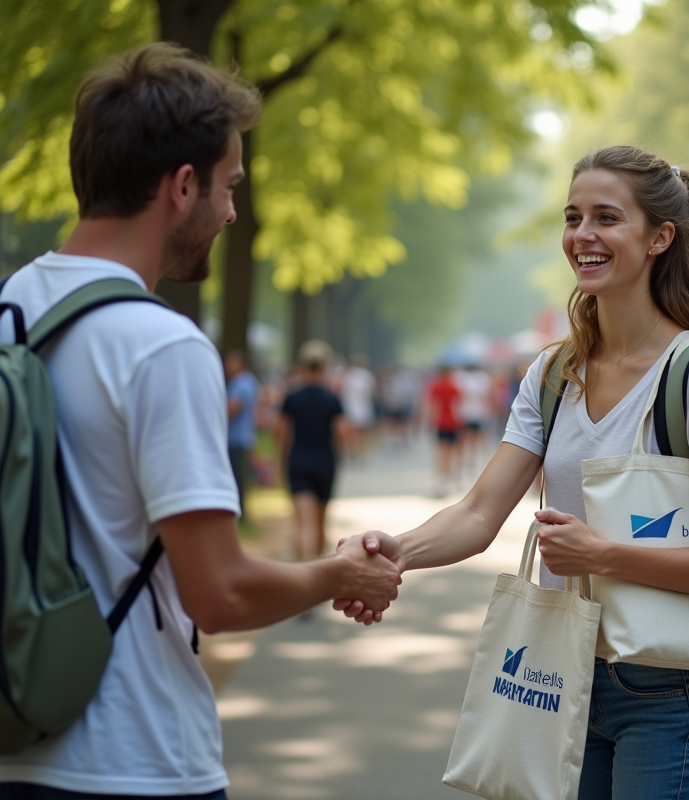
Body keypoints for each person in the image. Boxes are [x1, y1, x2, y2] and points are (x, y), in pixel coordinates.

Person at [0, 44, 399, 800]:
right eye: (229, 187)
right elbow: (220, 594)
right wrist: (339, 575)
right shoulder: (161, 344)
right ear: (183, 186)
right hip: (133, 756)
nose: (233, 213)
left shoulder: (12, 306)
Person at [338, 146, 689, 800]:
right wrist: (396, 554)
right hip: (565, 670)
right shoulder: (552, 375)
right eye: (573, 217)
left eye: (605, 217)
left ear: (660, 237)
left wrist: (603, 554)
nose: (582, 236)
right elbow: (479, 512)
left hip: (669, 688)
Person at [277, 340, 346, 564]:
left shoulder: (292, 397)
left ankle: (302, 576)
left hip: (298, 462)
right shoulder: (332, 398)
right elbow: (341, 433)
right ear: (325, 366)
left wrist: (281, 460)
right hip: (325, 463)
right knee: (319, 523)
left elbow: (281, 432)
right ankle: (317, 578)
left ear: (302, 366)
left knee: (303, 523)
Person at [224, 350, 259, 514]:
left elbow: (232, 408)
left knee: (237, 478)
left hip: (238, 438)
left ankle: (239, 512)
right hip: (240, 437)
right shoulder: (245, 381)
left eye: (232, 362)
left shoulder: (242, 382)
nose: (228, 366)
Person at [426, 364, 462, 496]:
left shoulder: (436, 387)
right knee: (450, 453)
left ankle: (441, 479)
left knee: (441, 452)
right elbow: (458, 405)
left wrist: (430, 421)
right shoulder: (454, 387)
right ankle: (447, 479)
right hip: (452, 421)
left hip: (440, 422)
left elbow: (432, 405)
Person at [455, 363, 494, 466]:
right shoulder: (482, 378)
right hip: (474, 413)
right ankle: (471, 458)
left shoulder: (460, 378)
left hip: (466, 413)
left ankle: (465, 459)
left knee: (465, 437)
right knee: (473, 437)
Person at [339, 354, 376, 459]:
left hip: (349, 408)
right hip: (363, 408)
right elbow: (372, 392)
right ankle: (360, 452)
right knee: (361, 433)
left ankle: (353, 451)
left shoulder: (348, 375)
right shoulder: (366, 375)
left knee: (352, 433)